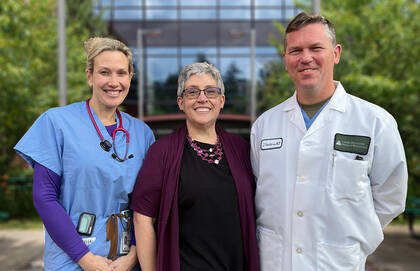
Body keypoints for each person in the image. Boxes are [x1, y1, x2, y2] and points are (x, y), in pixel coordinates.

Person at [250, 12, 408, 270]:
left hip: (337, 263)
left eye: (315, 48)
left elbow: (390, 196)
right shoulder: (265, 126)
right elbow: (258, 192)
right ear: (285, 59)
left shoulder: (375, 122)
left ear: (336, 53)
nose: (305, 58)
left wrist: (353, 240)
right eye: (295, 50)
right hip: (275, 262)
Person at [14, 37, 155, 270]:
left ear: (130, 77)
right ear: (89, 76)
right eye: (104, 72)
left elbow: (147, 204)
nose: (114, 81)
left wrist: (134, 255)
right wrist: (84, 258)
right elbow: (44, 197)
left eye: (121, 73)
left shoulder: (142, 133)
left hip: (125, 260)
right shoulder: (56, 122)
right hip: (72, 259)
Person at [130, 62, 260, 271]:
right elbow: (142, 218)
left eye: (211, 91)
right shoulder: (162, 152)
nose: (202, 98)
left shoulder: (242, 150)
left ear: (221, 101)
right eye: (192, 92)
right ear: (181, 102)